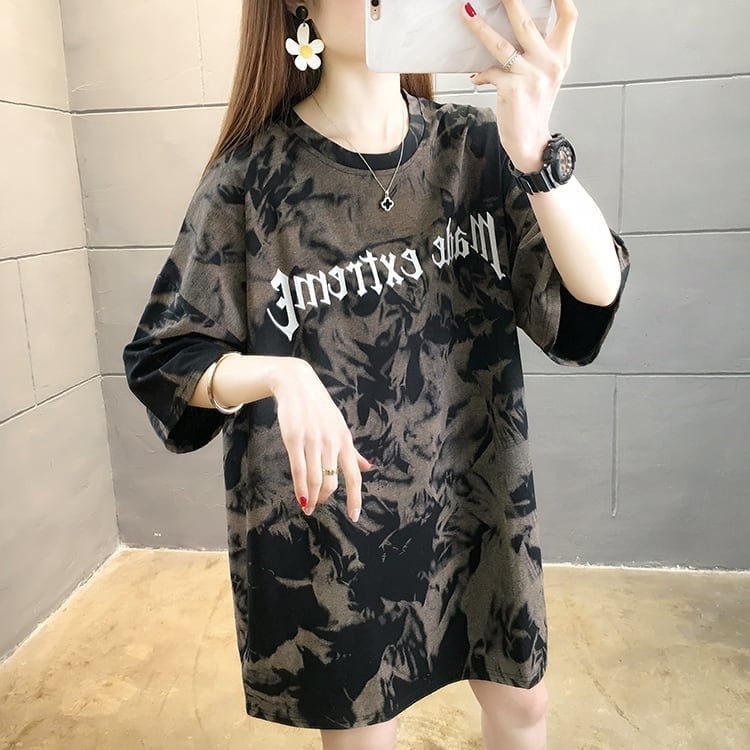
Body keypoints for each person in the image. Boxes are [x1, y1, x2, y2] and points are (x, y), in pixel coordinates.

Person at [123, 0, 629, 748]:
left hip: (476, 497)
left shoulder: (475, 148)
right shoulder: (251, 180)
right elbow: (164, 358)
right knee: (366, 732)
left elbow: (590, 300)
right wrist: (278, 376)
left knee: (524, 704)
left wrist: (535, 154)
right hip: (341, 528)